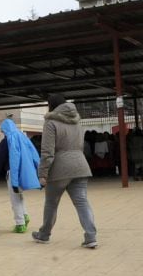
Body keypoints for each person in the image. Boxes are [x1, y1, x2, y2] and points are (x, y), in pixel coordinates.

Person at [32, 94, 97, 249]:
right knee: (82, 202)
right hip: (80, 165)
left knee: (51, 203)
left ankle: (44, 234)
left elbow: (47, 151)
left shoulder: (50, 122)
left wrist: (42, 173)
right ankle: (91, 237)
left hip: (60, 168)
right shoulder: (76, 121)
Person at [0, 118, 40, 233]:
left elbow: (0, 158)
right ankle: (25, 216)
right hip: (24, 171)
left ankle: (20, 224)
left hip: (12, 172)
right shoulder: (23, 138)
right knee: (19, 195)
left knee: (15, 198)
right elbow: (34, 153)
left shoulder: (6, 141)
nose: (3, 133)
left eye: (3, 131)